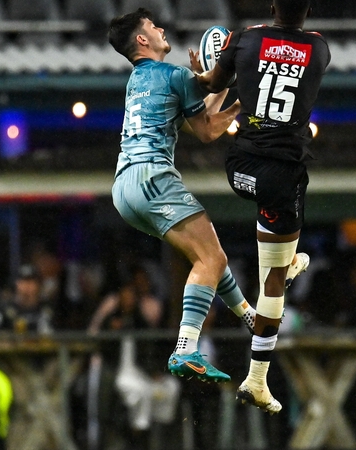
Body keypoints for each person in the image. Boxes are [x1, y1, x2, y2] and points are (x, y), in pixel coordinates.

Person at [108, 8, 286, 383]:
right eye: (153, 26)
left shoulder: (141, 80)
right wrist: (221, 74)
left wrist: (226, 95)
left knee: (211, 255)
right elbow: (208, 108)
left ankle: (249, 318)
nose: (159, 28)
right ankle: (186, 347)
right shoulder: (172, 75)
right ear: (142, 39)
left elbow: (205, 128)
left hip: (125, 188)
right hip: (153, 176)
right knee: (209, 258)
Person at [192, 0, 328, 413]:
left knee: (280, 256)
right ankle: (256, 380)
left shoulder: (246, 39)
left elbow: (210, 84)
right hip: (281, 179)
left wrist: (203, 68)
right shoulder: (318, 48)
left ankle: (287, 264)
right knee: (273, 283)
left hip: (239, 169)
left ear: (271, 5)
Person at [0, 264, 54, 334]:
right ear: (17, 284)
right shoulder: (5, 309)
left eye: (31, 281)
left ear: (38, 284)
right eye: (23, 281)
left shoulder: (48, 308)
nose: (27, 286)